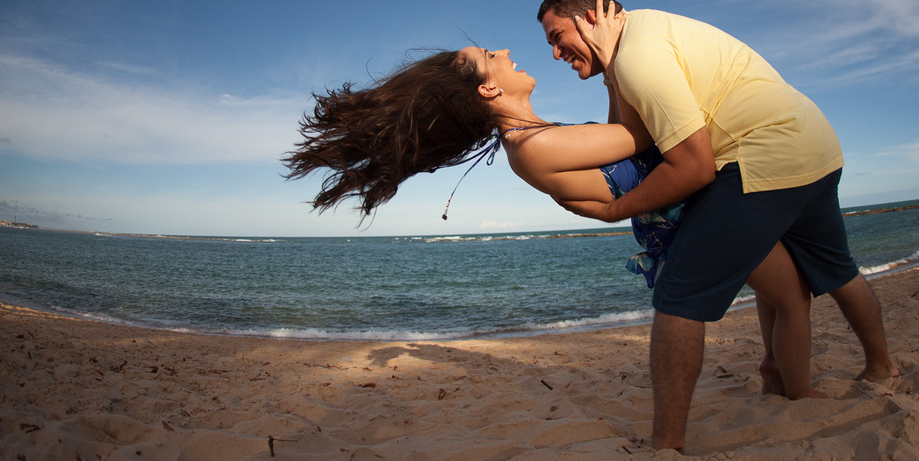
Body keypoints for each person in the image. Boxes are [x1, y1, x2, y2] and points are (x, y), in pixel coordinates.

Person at [537, 0, 899, 452]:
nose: (554, 53)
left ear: (588, 18)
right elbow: (630, 134)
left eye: (556, 36)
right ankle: (880, 367)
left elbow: (693, 166)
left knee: (679, 294)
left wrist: (614, 209)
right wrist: (611, 73)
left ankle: (666, 445)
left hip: (764, 156)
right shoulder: (649, 34)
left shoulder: (639, 56)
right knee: (834, 268)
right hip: (815, 146)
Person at [284, 45, 717, 290]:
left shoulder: (538, 136)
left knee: (786, 300)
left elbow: (623, 143)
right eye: (492, 54)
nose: (506, 51)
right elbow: (645, 136)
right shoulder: (534, 147)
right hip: (698, 221)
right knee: (787, 303)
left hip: (697, 208)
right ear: (489, 88)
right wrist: (613, 56)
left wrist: (609, 76)